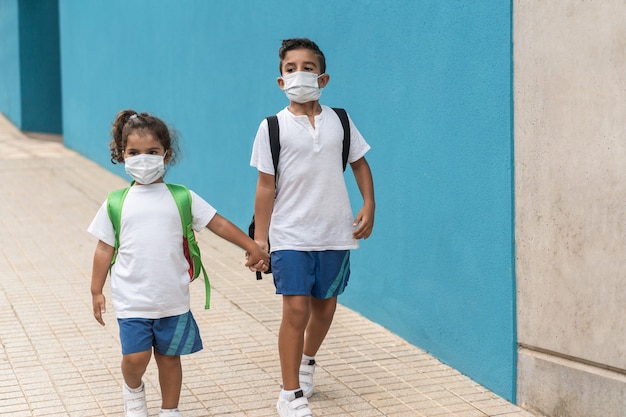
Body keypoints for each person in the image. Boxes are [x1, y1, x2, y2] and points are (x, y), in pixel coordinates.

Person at [88, 110, 269, 417]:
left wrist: (252, 246)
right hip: (132, 301)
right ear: (122, 155)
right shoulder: (116, 202)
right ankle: (133, 390)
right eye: (134, 152)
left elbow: (218, 224)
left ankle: (170, 410)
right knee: (135, 359)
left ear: (166, 155)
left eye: (152, 152)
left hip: (172, 300)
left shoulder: (182, 197)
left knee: (170, 359)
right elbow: (104, 248)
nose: (143, 159)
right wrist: (96, 290)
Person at [250, 38, 375, 417]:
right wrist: (260, 241)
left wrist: (369, 203)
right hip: (290, 234)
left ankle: (307, 363)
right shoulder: (272, 127)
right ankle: (290, 394)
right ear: (280, 80)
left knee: (325, 306)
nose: (299, 74)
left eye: (307, 68)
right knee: (296, 310)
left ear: (323, 78)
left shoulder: (340, 120)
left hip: (335, 232)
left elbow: (359, 164)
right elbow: (265, 187)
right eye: (291, 68)